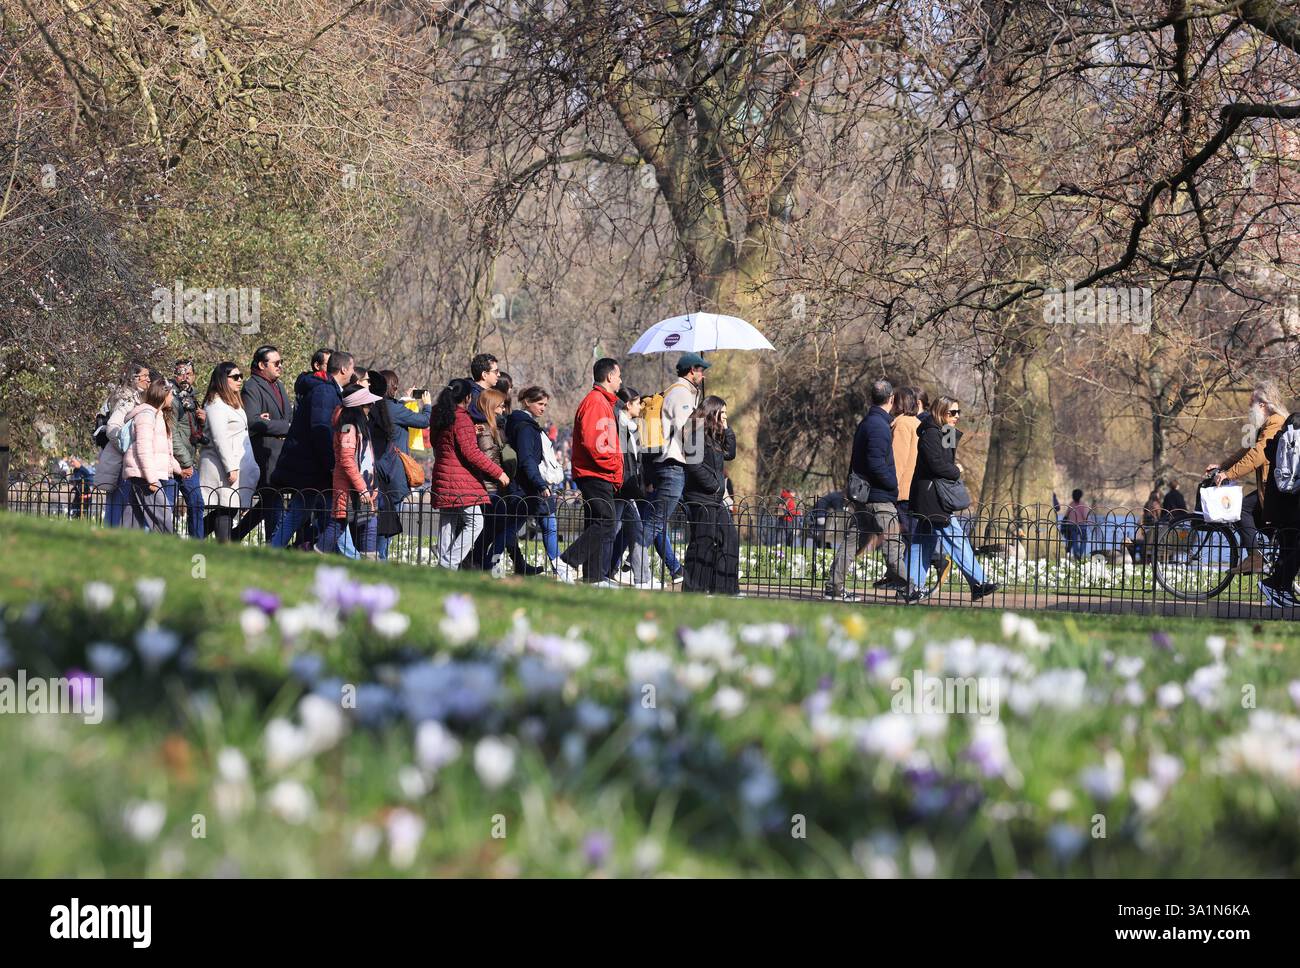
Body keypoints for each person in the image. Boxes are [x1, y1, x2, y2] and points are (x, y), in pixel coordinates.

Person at [826, 379, 914, 602]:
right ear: (891, 399)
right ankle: (911, 588)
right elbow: (876, 464)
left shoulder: (868, 422)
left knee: (854, 541)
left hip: (867, 497)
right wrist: (892, 483)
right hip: (879, 497)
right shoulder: (878, 426)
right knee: (893, 544)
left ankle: (834, 588)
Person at [910, 396, 999, 601]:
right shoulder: (930, 433)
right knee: (956, 538)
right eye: (952, 413)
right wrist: (956, 471)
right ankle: (978, 582)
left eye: (958, 412)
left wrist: (950, 434)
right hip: (932, 498)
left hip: (932, 496)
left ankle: (911, 587)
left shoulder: (942, 431)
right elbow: (937, 465)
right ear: (940, 412)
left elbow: (947, 457)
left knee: (922, 542)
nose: (957, 417)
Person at [271, 351, 354, 548]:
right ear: (343, 369)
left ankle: (277, 549)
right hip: (314, 469)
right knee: (331, 517)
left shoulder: (330, 391)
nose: (352, 373)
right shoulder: (325, 392)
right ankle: (348, 557)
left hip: (313, 469)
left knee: (309, 514)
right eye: (351, 368)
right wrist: (332, 465)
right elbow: (321, 430)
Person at [1205, 381, 1287, 576]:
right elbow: (1246, 449)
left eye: (1252, 403)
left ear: (1263, 405)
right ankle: (1268, 557)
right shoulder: (1261, 425)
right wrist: (1222, 466)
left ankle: (1256, 558)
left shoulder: (1276, 422)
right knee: (1259, 524)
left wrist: (1229, 474)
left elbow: (1258, 454)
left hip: (1275, 490)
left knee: (1243, 508)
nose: (1249, 407)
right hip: (1270, 489)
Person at [429, 378, 509, 569]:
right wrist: (499, 473)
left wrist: (469, 431)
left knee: (448, 523)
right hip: (460, 480)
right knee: (475, 523)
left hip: (443, 475)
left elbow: (440, 441)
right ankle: (448, 564)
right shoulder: (462, 418)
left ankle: (444, 565)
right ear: (467, 397)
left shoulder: (440, 415)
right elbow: (471, 453)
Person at [645, 352, 710, 584]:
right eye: (701, 370)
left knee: (656, 521)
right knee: (654, 522)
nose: (703, 374)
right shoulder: (681, 392)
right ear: (692, 370)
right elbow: (686, 430)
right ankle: (637, 568)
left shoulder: (684, 392)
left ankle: (674, 569)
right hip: (672, 464)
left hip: (668, 464)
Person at [560, 357, 624, 585]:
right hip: (596, 472)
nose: (620, 380)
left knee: (596, 521)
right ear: (609, 377)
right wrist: (614, 465)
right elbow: (594, 443)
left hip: (598, 472)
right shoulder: (596, 402)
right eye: (618, 375)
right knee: (606, 522)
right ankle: (567, 560)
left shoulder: (603, 402)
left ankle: (593, 577)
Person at [507, 386, 575, 581]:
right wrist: (540, 484)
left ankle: (559, 568)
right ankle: (486, 561)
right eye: (540, 403)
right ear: (527, 401)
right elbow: (527, 459)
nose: (543, 408)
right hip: (529, 486)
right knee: (513, 528)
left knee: (548, 524)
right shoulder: (525, 427)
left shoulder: (524, 424)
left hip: (532, 485)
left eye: (545, 404)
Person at [317, 383, 384, 558]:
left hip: (364, 487)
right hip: (350, 488)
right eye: (368, 404)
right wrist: (362, 488)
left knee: (369, 524)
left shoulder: (361, 426)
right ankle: (315, 555)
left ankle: (369, 564)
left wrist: (371, 487)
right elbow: (346, 460)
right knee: (338, 525)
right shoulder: (348, 427)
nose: (370, 408)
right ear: (358, 407)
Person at [681, 396, 740, 595]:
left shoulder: (712, 435)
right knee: (703, 542)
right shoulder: (696, 433)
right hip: (701, 497)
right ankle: (693, 589)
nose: (724, 416)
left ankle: (725, 589)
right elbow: (693, 465)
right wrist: (714, 485)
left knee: (729, 537)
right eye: (722, 412)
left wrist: (727, 427)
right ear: (712, 412)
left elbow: (730, 454)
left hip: (713, 499)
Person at [232, 345, 291, 542]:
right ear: (261, 364)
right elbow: (253, 420)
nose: (280, 366)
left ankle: (235, 535)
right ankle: (275, 546)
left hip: (280, 455)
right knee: (272, 502)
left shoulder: (279, 385)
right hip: (264, 455)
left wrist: (275, 424)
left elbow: (284, 417)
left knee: (269, 501)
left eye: (281, 362)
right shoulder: (252, 386)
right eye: (276, 363)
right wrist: (285, 427)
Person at [199, 362, 260, 543]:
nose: (240, 380)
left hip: (235, 466)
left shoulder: (232, 404)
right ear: (222, 380)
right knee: (225, 508)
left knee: (229, 508)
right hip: (222, 467)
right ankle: (221, 550)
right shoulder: (216, 404)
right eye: (235, 377)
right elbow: (219, 438)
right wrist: (230, 467)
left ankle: (197, 537)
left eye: (241, 376)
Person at [121, 375, 182, 533]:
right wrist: (152, 479)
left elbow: (163, 451)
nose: (173, 397)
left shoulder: (158, 415)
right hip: (144, 475)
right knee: (162, 517)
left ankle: (120, 550)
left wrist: (178, 469)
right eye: (171, 394)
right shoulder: (146, 415)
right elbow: (144, 449)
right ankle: (172, 550)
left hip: (145, 474)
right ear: (163, 394)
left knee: (132, 521)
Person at [608, 386, 655, 588]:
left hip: (629, 487)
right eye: (637, 403)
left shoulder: (631, 427)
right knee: (610, 529)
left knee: (635, 529)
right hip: (621, 487)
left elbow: (635, 460)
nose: (641, 406)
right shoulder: (619, 426)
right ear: (628, 405)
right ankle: (595, 570)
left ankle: (643, 578)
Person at [95, 362, 152, 527]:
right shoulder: (126, 398)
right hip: (120, 464)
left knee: (121, 508)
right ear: (134, 378)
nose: (148, 380)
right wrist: (127, 448)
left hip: (120, 462)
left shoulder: (134, 396)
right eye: (145, 376)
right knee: (121, 508)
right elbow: (113, 427)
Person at [1260, 411, 1300, 607]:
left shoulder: (1278, 443)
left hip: (1278, 507)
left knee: (1287, 550)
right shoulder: (1293, 445)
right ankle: (1276, 585)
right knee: (1291, 549)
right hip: (1291, 506)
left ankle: (1278, 590)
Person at [166, 359, 206, 538]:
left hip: (187, 459)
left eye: (188, 374)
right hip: (176, 462)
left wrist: (203, 421)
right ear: (174, 376)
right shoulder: (172, 399)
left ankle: (195, 547)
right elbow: (171, 434)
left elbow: (195, 434)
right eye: (180, 373)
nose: (184, 377)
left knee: (197, 504)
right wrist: (186, 463)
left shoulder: (191, 399)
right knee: (164, 508)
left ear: (194, 376)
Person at [468, 353, 500, 424]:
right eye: (496, 371)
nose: (499, 374)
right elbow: (478, 417)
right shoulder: (472, 395)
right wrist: (498, 418)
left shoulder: (484, 393)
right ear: (484, 375)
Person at [1062, 488, 1091, 559]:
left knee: (1074, 540)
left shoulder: (1071, 504)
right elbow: (1085, 516)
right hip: (1082, 525)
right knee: (1083, 540)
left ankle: (1076, 553)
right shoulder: (1083, 505)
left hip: (1072, 525)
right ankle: (1080, 553)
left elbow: (1066, 516)